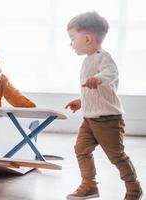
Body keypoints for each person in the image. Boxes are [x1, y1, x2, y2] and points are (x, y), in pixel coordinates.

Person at [65, 12, 143, 200]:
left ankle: (134, 187)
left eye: (73, 39)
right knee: (81, 149)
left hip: (108, 119)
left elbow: (112, 73)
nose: (71, 44)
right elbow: (93, 92)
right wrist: (81, 101)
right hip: (90, 119)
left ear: (88, 38)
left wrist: (98, 79)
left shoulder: (103, 57)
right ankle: (89, 184)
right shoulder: (87, 61)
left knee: (116, 155)